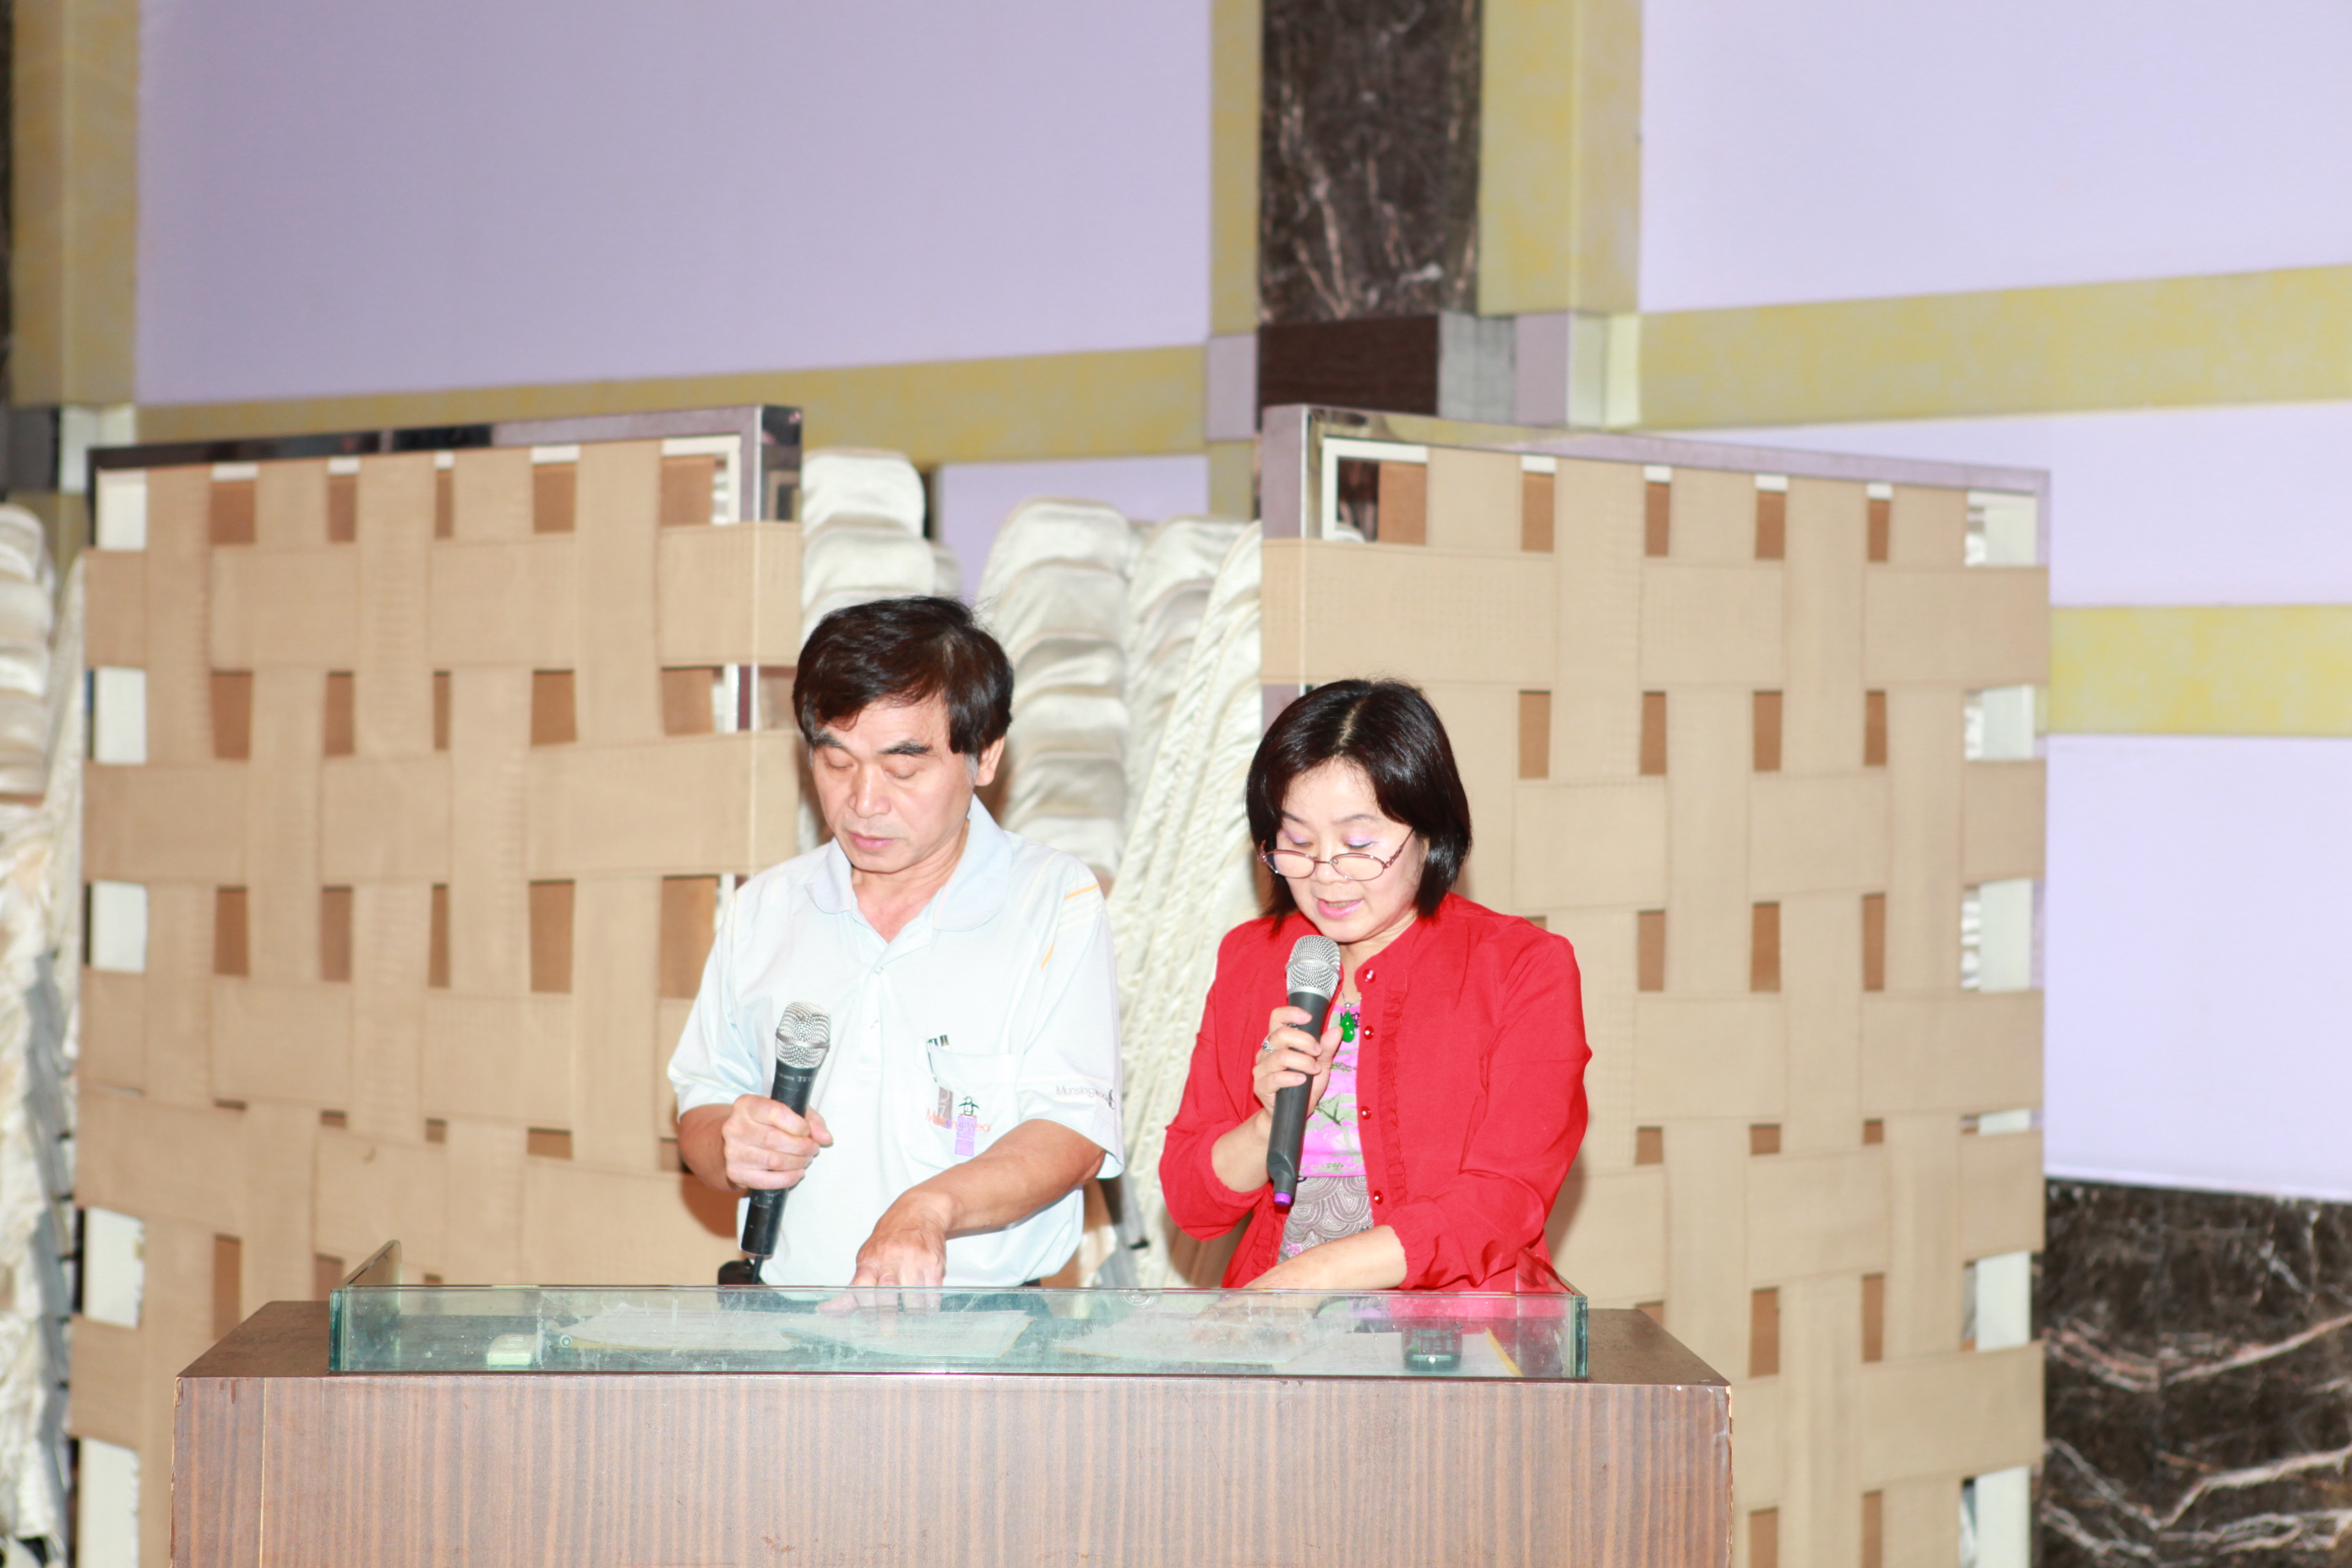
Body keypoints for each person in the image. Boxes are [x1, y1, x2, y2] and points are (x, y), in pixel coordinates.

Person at [669, 596, 1123, 1288]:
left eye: (902, 770)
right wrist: (727, 1143)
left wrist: (929, 1209)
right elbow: (703, 1104)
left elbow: (1074, 1132)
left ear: (985, 755)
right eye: (836, 762)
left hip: (984, 1323)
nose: (863, 802)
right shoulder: (767, 907)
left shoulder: (1052, 901)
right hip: (786, 1313)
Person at [1160, 680, 1590, 1290]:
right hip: (1280, 1327)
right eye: (1298, 843)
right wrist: (1265, 1122)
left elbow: (1503, 1201)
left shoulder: (1522, 966)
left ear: (1431, 830)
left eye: (1359, 845)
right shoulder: (1251, 959)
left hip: (1456, 1334)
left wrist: (1307, 1278)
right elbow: (1191, 1204)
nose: (1326, 876)